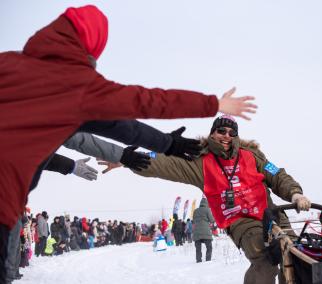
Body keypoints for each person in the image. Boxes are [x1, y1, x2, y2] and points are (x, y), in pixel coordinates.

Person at [0, 5, 257, 280]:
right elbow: (141, 104)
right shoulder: (78, 86)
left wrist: (127, 156)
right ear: (94, 45)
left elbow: (85, 135)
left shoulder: (7, 63)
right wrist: (209, 106)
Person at [100, 115, 311, 283]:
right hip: (240, 221)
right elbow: (164, 163)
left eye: (231, 132)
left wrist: (295, 193)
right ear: (213, 133)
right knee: (265, 261)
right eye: (221, 131)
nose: (226, 136)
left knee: (294, 256)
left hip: (271, 213)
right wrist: (124, 158)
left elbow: (277, 175)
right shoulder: (199, 161)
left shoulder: (253, 155)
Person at [192, 198, 214, 263]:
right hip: (206, 232)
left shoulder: (195, 211)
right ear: (206, 204)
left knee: (198, 248)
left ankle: (198, 260)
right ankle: (208, 260)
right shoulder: (207, 210)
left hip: (196, 232)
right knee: (209, 247)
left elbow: (193, 220)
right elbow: (212, 220)